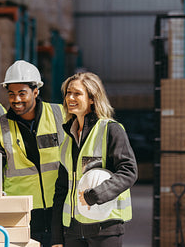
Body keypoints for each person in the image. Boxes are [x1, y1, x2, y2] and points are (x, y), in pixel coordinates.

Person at [51, 72, 138, 247]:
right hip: (73, 230)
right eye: (68, 93)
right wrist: (57, 237)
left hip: (104, 227)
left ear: (92, 98)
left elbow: (129, 171)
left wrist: (97, 195)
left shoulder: (111, 130)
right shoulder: (67, 139)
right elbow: (61, 189)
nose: (70, 98)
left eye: (77, 93)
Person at [0, 60, 66, 247]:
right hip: (23, 216)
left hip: (60, 213)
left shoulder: (60, 116)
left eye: (22, 93)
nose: (16, 100)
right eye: (11, 94)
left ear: (35, 91)